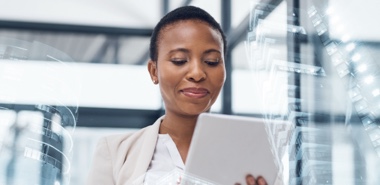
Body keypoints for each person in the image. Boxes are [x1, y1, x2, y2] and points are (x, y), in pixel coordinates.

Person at [86, 5, 267, 185]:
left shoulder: (255, 155)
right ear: (154, 71)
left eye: (211, 62)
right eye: (179, 61)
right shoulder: (115, 152)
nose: (197, 73)